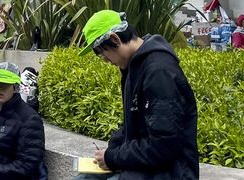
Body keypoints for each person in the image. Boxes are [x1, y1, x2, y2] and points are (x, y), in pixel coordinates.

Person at [78, 10, 198, 180]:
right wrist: (111, 150)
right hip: (144, 168)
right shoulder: (133, 66)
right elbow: (135, 125)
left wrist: (113, 157)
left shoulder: (158, 72)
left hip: (168, 173)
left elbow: (164, 145)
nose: (107, 62)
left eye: (104, 56)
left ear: (115, 39)